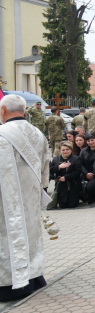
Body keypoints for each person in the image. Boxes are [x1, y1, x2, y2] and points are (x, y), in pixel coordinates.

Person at [0, 94, 51, 301]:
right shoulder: (38, 133)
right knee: (30, 234)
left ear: (3, 110)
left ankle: (10, 284)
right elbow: (45, 165)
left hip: (7, 195)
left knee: (7, 236)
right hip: (31, 192)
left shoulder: (2, 133)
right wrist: (41, 189)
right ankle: (34, 277)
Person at [49, 141, 83, 209]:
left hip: (73, 185)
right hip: (61, 186)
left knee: (72, 205)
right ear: (60, 150)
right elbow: (50, 170)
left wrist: (66, 177)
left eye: (67, 149)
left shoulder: (76, 159)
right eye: (63, 150)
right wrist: (58, 167)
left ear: (71, 149)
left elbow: (78, 171)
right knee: (62, 206)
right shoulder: (55, 159)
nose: (65, 151)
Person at [79, 134, 95, 204]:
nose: (91, 142)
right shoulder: (83, 151)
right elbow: (80, 164)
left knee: (90, 187)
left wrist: (94, 174)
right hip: (86, 174)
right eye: (88, 141)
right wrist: (86, 173)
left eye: (92, 140)